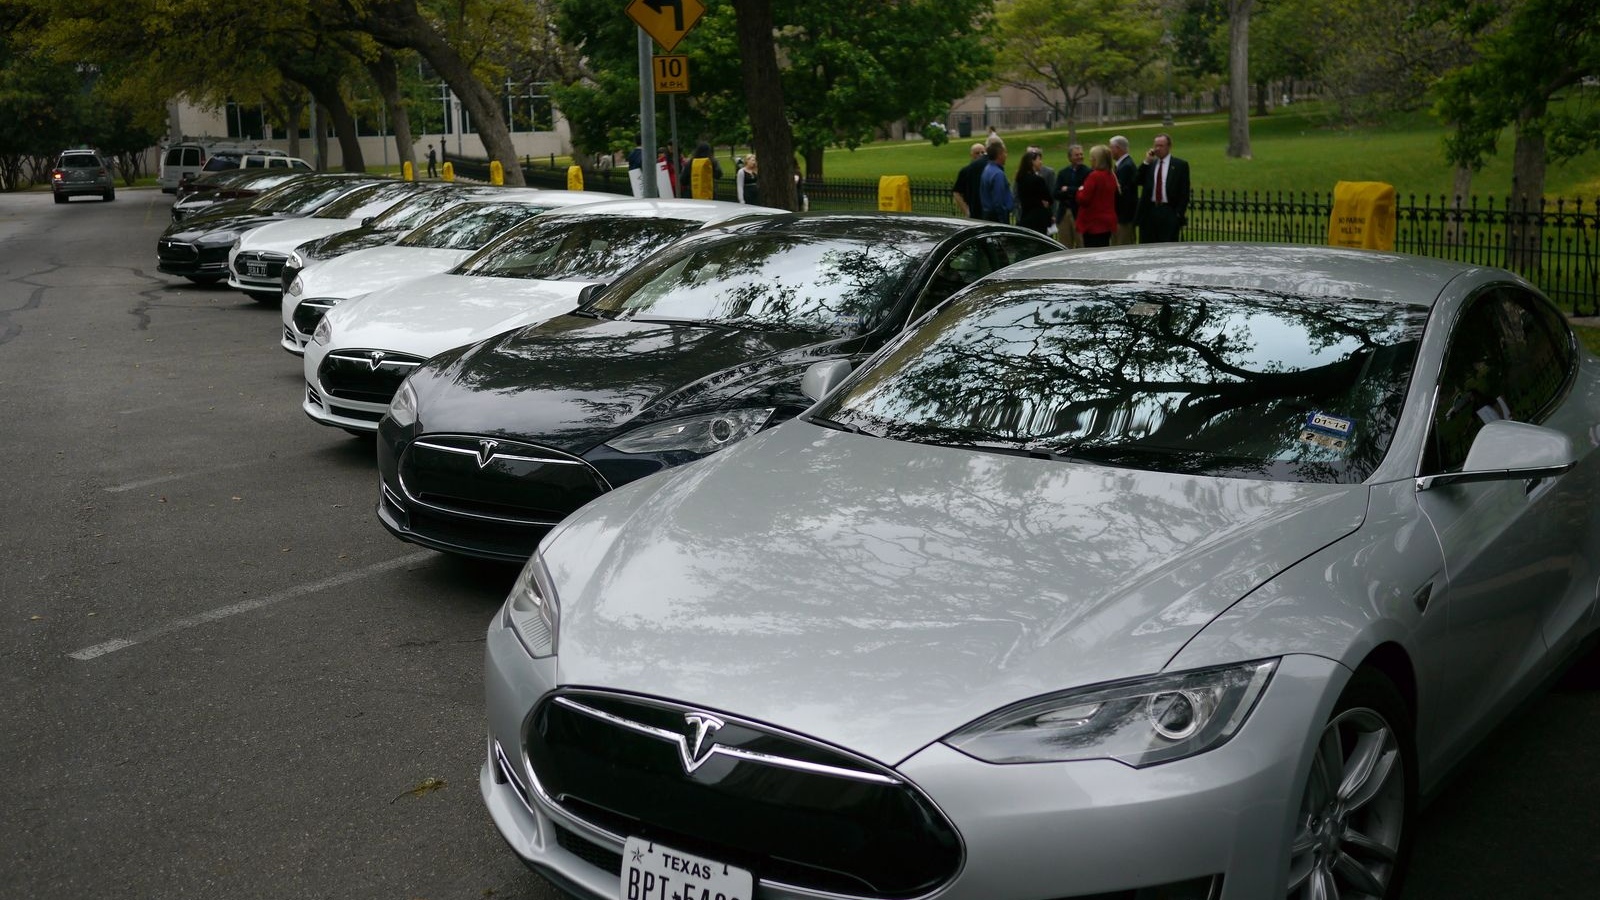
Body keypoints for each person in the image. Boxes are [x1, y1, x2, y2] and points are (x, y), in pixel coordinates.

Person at [1137, 133, 1191, 243]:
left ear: (1169, 147)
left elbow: (1184, 192)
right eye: (1156, 145)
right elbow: (1136, 180)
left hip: (1168, 211)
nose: (1157, 149)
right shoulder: (1150, 164)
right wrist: (1146, 162)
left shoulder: (1180, 165)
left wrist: (1178, 214)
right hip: (1150, 212)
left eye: (1161, 146)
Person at [1074, 144, 1119, 247]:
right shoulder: (1111, 175)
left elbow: (1084, 199)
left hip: (1093, 224)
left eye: (1092, 158)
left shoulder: (1094, 176)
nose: (1090, 160)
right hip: (1106, 223)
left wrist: (1079, 190)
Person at [1054, 144, 1089, 248]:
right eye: (1076, 155)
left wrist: (1068, 189)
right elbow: (1056, 193)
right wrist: (1075, 190)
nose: (1080, 157)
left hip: (1079, 214)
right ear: (1069, 157)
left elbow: (1084, 191)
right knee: (1064, 245)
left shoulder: (1087, 172)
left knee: (1081, 244)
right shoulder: (1063, 173)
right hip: (1064, 213)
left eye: (1081, 154)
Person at [1013, 149, 1053, 235]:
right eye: (1039, 160)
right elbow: (1049, 198)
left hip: (1026, 217)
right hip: (1039, 219)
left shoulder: (1020, 179)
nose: (1041, 162)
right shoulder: (1038, 180)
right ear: (1033, 162)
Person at [1109, 136, 1138, 245]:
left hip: (1124, 218)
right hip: (1121, 217)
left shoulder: (1126, 166)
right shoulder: (1123, 165)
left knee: (1122, 245)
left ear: (1117, 148)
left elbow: (1121, 193)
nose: (1110, 151)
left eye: (1111, 147)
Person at [978, 141, 1013, 224]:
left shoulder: (987, 169)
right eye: (1005, 152)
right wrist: (1003, 220)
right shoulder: (998, 174)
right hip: (996, 218)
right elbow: (999, 201)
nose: (1006, 155)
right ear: (999, 155)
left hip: (987, 215)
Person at [950, 142, 987, 218]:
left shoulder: (989, 170)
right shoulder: (966, 171)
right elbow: (957, 192)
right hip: (974, 211)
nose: (980, 155)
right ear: (971, 155)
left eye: (983, 152)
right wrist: (966, 211)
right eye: (977, 153)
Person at [1029, 146, 1056, 228]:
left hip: (1044, 216)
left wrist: (1053, 214)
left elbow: (1052, 194)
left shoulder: (1048, 173)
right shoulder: (1022, 175)